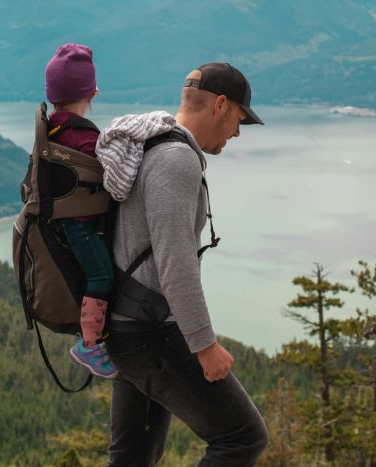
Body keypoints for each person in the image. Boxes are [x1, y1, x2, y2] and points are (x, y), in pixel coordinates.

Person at [95, 63, 268, 466]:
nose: (238, 133)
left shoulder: (149, 144)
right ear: (220, 105)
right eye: (239, 120)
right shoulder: (176, 159)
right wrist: (204, 345)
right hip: (152, 334)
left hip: (125, 325)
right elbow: (175, 263)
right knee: (242, 437)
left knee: (132, 458)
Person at [43, 42, 117, 378]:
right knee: (102, 275)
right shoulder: (84, 139)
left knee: (92, 275)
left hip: (62, 223)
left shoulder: (52, 130)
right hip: (82, 226)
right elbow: (112, 177)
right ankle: (89, 344)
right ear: (92, 93)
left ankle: (91, 336)